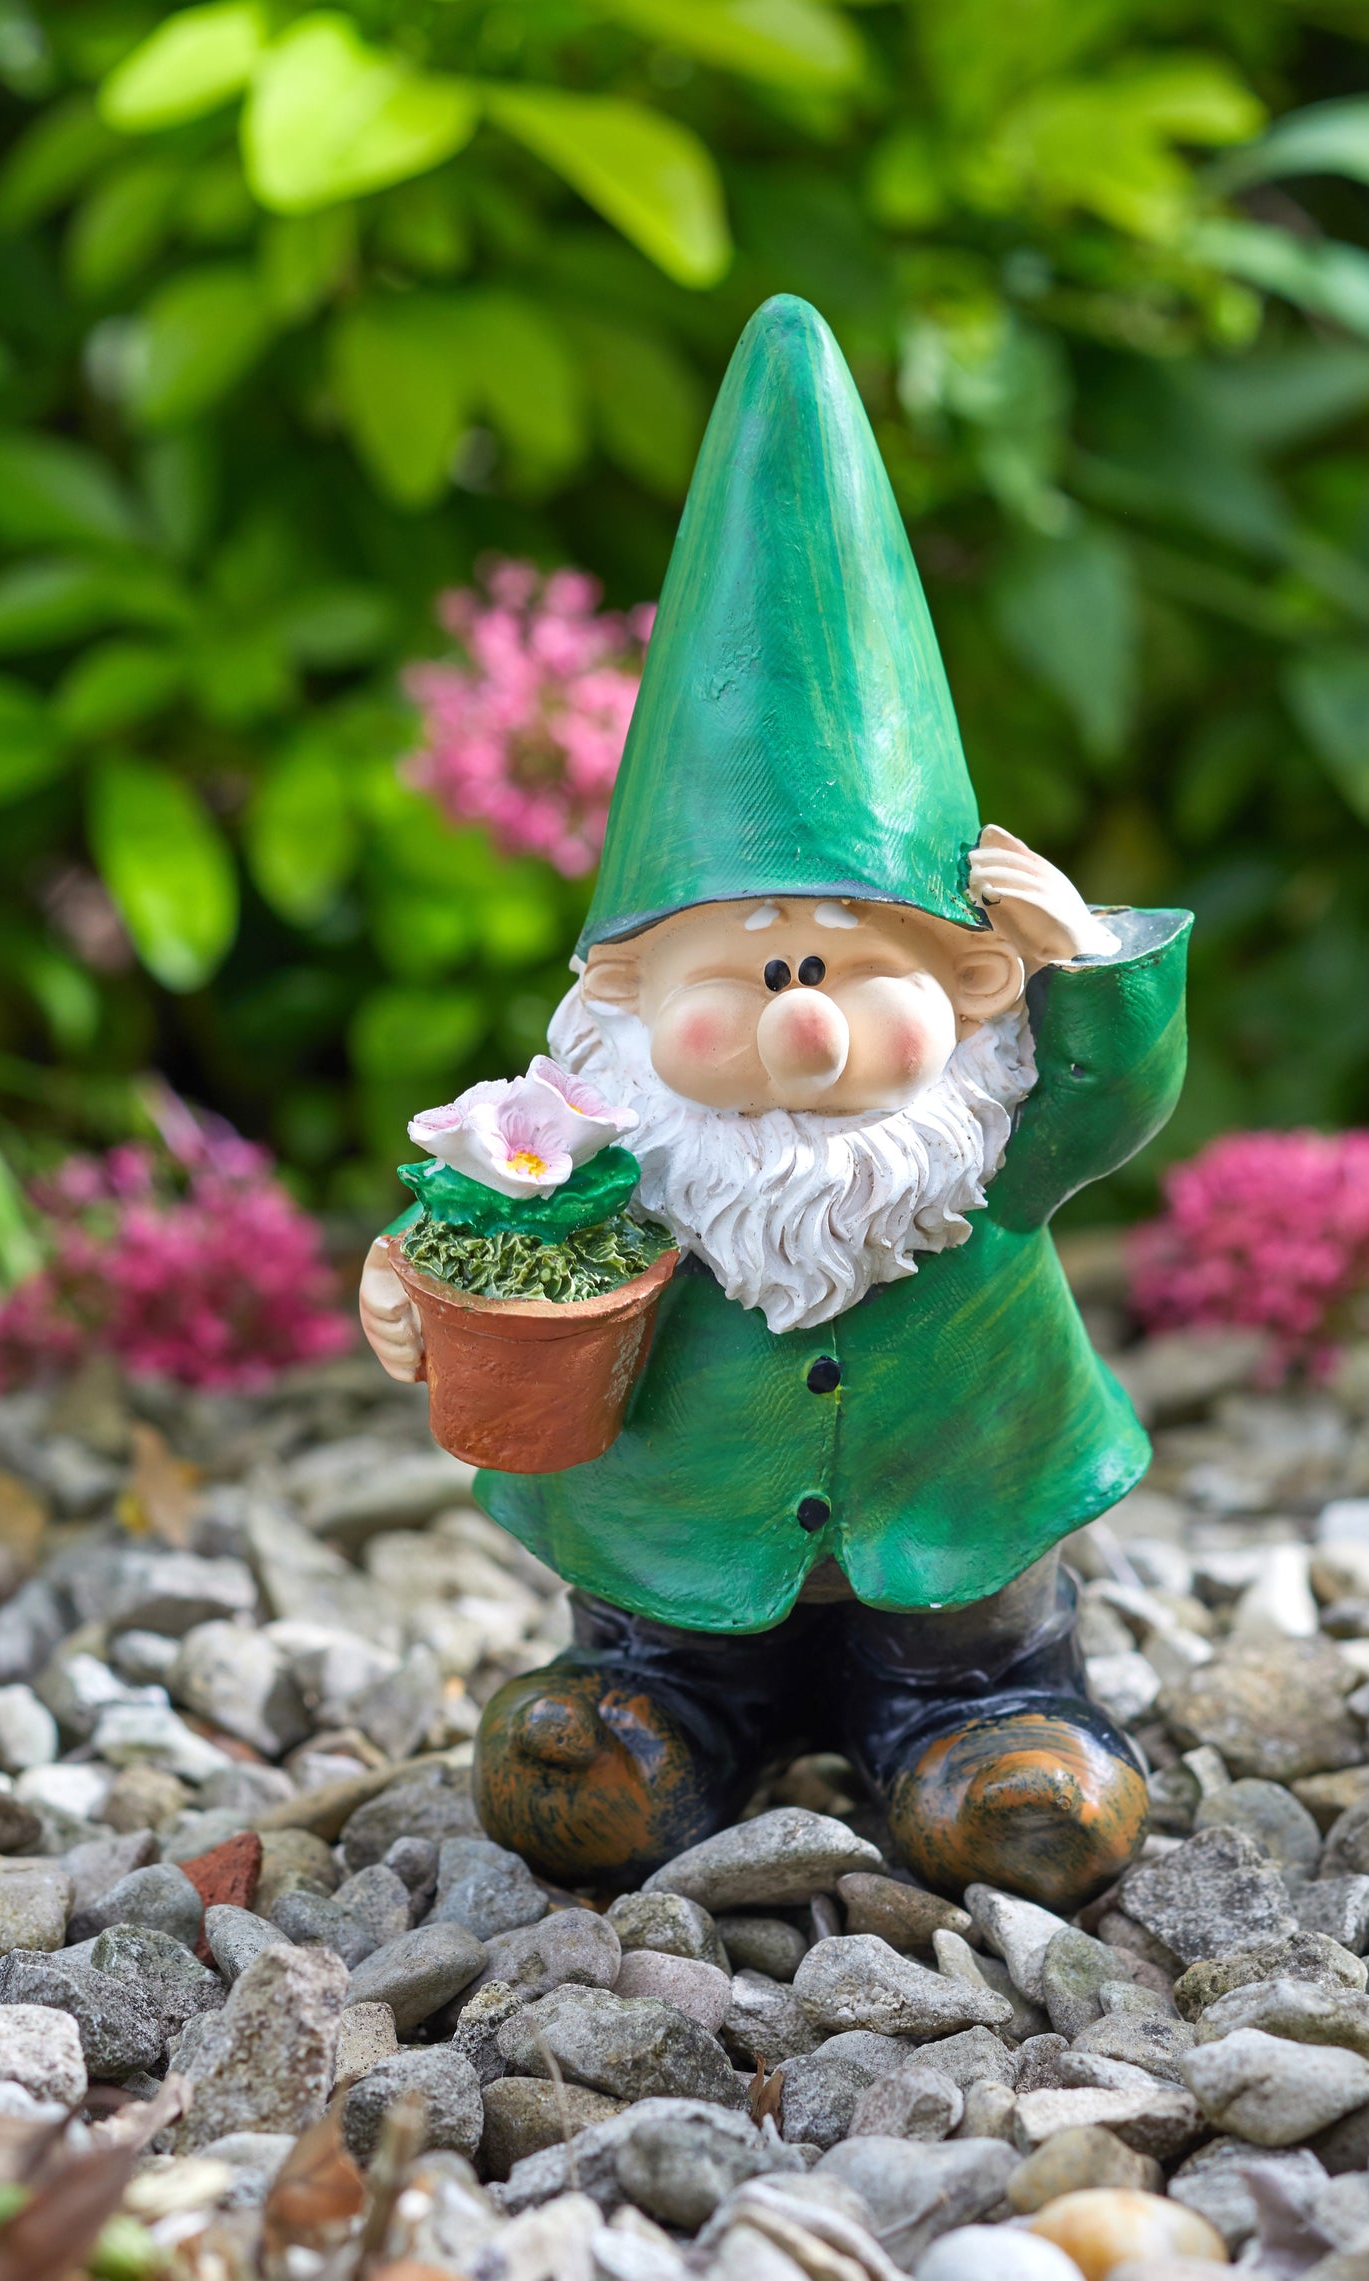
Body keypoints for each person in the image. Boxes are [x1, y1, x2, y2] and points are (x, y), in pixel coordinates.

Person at [362, 295, 1190, 1907]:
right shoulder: (605, 1135)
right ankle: (644, 1724)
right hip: (677, 1548)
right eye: (742, 975)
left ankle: (989, 1734)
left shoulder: (985, 1140)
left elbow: (1114, 1092)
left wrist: (1079, 959)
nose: (796, 1020)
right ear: (623, 997)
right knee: (612, 1719)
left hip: (957, 1535)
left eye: (841, 967)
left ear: (963, 987)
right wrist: (406, 1281)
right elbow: (485, 1216)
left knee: (983, 1686)